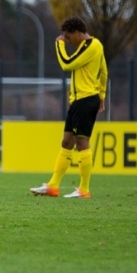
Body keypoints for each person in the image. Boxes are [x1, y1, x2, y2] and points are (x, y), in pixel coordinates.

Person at [31, 16, 107, 199]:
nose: (67, 40)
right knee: (67, 142)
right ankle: (53, 186)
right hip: (79, 100)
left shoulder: (92, 45)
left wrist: (59, 45)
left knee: (82, 142)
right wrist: (102, 95)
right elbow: (104, 70)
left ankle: (84, 189)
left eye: (68, 36)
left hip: (85, 99)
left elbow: (67, 64)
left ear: (78, 32)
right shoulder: (86, 47)